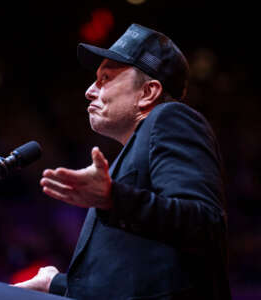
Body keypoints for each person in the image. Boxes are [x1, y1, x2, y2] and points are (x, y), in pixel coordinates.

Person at [14, 23, 231, 299]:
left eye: (105, 78)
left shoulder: (170, 118)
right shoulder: (129, 156)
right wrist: (54, 284)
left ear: (148, 92)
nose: (90, 91)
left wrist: (112, 198)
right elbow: (129, 282)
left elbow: (205, 224)